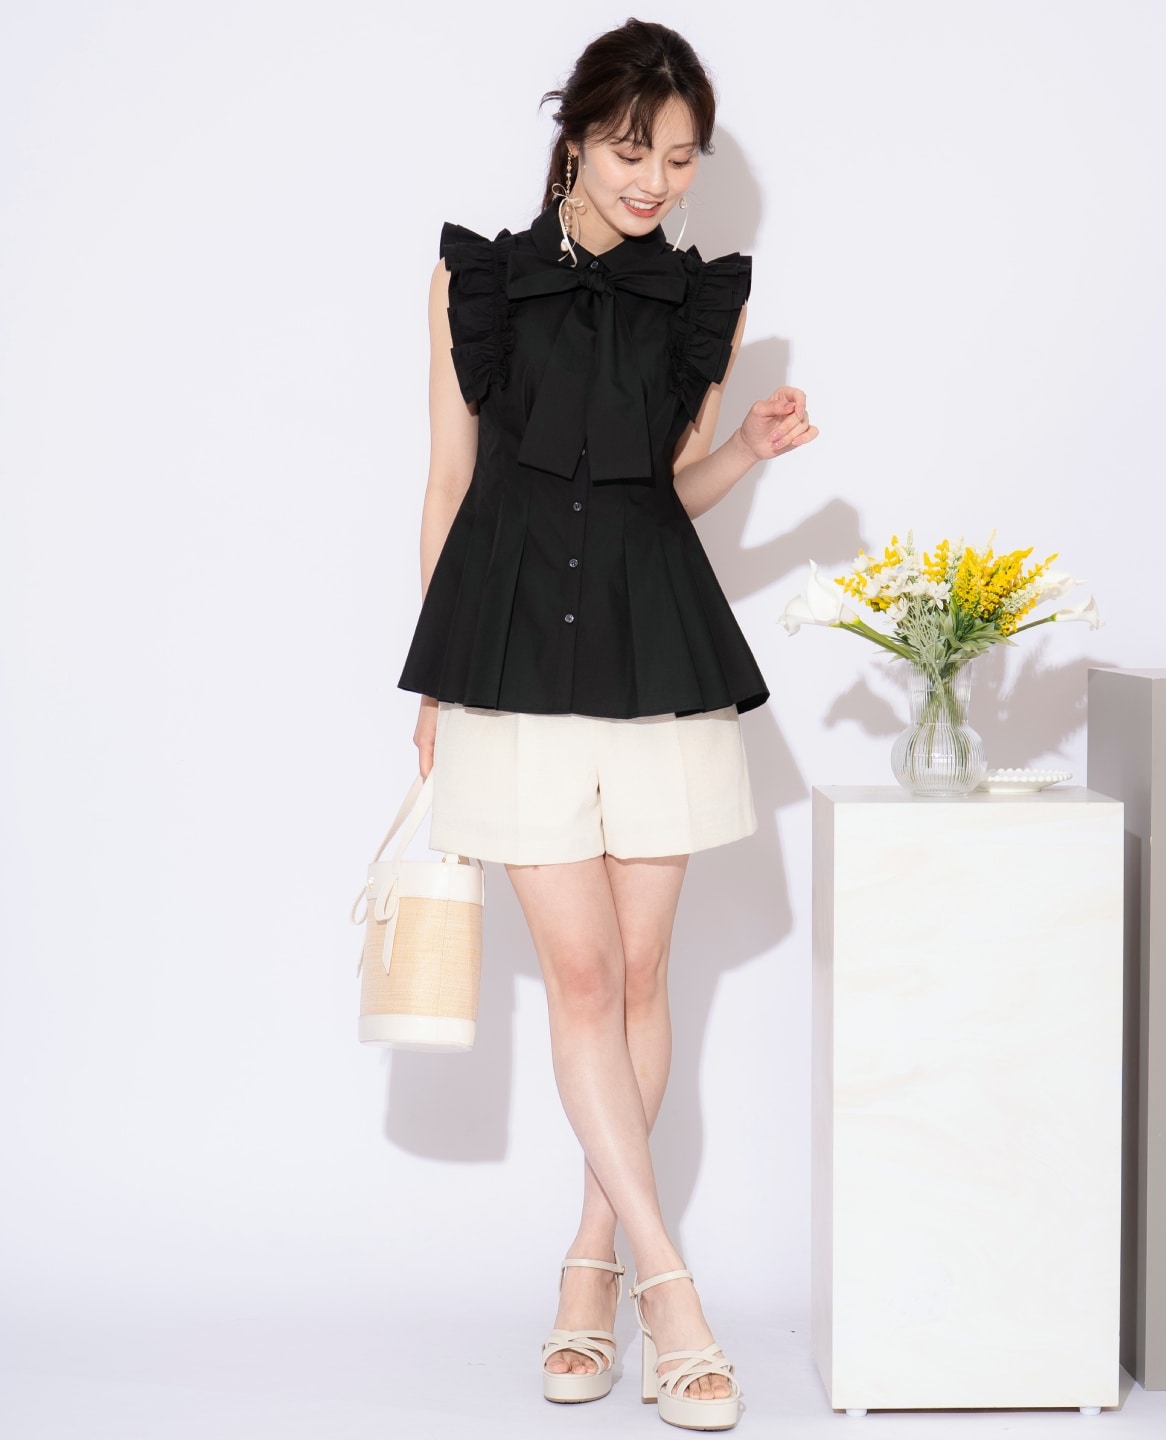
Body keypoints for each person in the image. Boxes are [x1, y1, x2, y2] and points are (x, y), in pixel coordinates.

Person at [397, 19, 818, 1432]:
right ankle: (672, 1293)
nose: (656, 180)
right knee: (581, 981)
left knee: (641, 980)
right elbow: (448, 487)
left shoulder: (704, 304)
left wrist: (744, 452)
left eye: (682, 159)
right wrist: (435, 683)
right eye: (635, 149)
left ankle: (591, 1268)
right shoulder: (475, 283)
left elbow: (663, 495)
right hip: (510, 658)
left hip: (657, 659)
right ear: (574, 135)